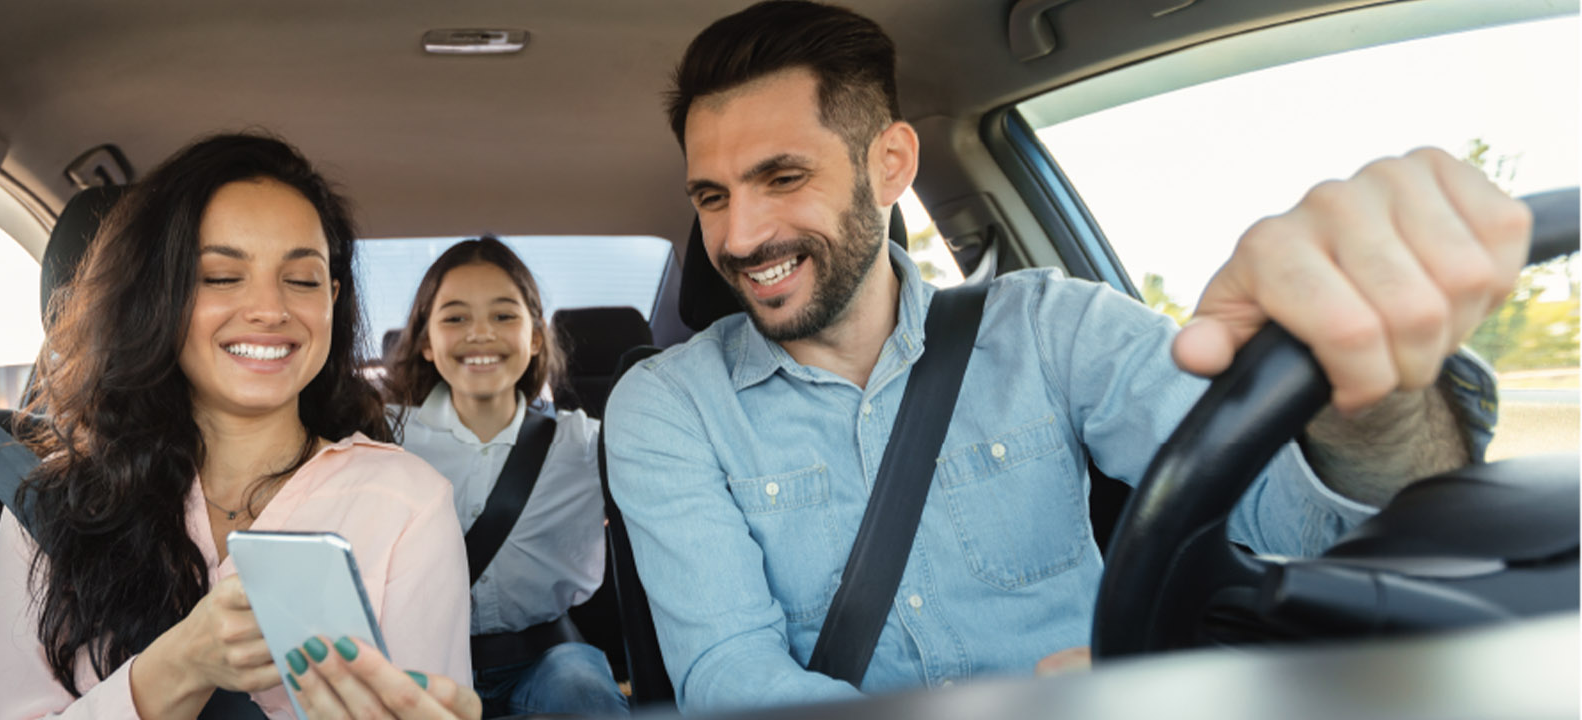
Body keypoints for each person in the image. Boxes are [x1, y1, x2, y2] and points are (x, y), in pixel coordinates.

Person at [603, 0, 1523, 711]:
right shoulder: (669, 405)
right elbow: (732, 678)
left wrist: (1360, 385)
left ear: (889, 164)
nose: (741, 234)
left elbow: (1306, 535)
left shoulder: (1054, 328)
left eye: (783, 177)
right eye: (713, 195)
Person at [0, 133, 483, 720]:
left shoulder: (408, 502)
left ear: (332, 300)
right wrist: (178, 666)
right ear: (158, 297)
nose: (271, 309)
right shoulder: (51, 505)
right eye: (220, 276)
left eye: (302, 279)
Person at [382, 237, 627, 717]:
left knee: (581, 690)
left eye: (503, 315)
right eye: (454, 317)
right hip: (422, 661)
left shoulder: (584, 444)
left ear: (534, 337)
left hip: (547, 656)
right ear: (427, 342)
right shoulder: (384, 441)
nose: (480, 334)